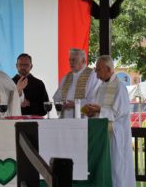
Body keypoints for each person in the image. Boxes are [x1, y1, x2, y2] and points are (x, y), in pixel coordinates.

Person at [82, 55, 136, 187]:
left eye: (98, 69)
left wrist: (100, 110)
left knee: (116, 167)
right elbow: (99, 109)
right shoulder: (101, 87)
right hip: (103, 135)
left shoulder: (119, 87)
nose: (95, 72)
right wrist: (91, 112)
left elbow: (119, 112)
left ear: (108, 69)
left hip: (116, 135)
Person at [53, 48, 100, 118]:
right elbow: (57, 97)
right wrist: (60, 105)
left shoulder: (93, 75)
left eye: (74, 60)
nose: (71, 62)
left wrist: (76, 104)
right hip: (65, 119)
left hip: (84, 120)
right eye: (70, 60)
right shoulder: (66, 77)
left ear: (84, 60)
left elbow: (94, 99)